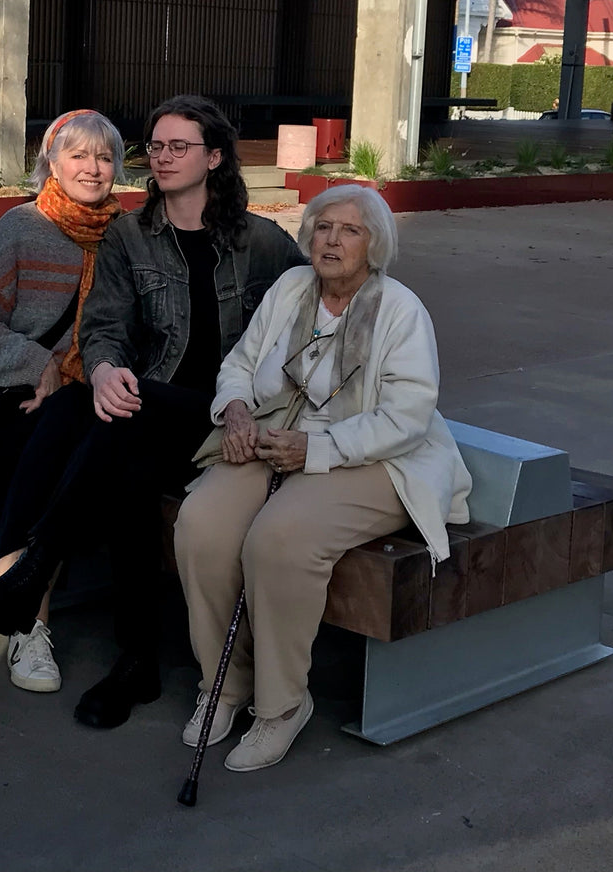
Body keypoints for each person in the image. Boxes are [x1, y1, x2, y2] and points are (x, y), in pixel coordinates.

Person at [0, 95, 306, 729]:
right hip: (155, 407)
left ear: (216, 157)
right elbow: (106, 325)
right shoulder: (130, 233)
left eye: (180, 146)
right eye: (157, 146)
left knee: (114, 421)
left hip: (226, 414)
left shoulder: (262, 242)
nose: (163, 156)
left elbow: (321, 311)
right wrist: (106, 368)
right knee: (96, 436)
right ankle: (135, 659)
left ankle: (21, 578)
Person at [174, 184, 472, 772]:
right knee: (200, 525)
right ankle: (222, 685)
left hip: (374, 457)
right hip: (274, 435)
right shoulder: (290, 288)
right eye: (323, 227)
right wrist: (233, 408)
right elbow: (238, 362)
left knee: (280, 539)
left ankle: (282, 705)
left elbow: (407, 416)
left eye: (349, 230)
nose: (331, 240)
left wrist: (317, 448)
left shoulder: (401, 310)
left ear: (375, 244)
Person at [0, 109, 126, 695]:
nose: (92, 169)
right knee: (44, 444)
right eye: (79, 156)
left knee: (77, 436)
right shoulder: (21, 228)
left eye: (104, 158)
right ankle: (30, 626)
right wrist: (39, 363)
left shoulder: (126, 235)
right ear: (52, 163)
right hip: (12, 394)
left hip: (90, 392)